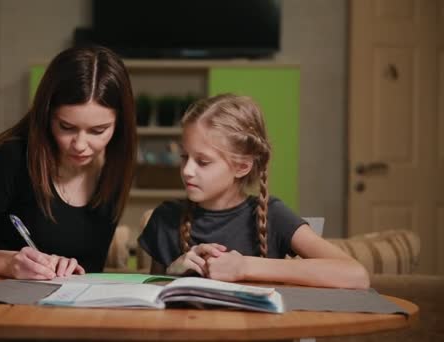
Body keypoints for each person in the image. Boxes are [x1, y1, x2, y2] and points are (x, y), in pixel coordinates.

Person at [0, 46, 137, 280]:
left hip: (71, 308)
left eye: (98, 131)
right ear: (46, 115)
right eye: (66, 127)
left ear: (119, 126)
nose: (80, 144)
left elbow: (91, 269)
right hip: (1, 305)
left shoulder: (113, 168)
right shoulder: (12, 158)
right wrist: (7, 263)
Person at [138, 94, 369, 289]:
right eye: (184, 157)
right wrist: (170, 274)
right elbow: (149, 304)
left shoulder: (273, 216)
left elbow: (356, 275)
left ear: (242, 166)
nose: (187, 170)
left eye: (203, 162)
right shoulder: (165, 218)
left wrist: (245, 267)